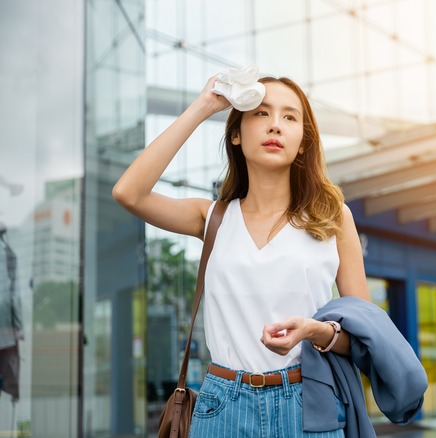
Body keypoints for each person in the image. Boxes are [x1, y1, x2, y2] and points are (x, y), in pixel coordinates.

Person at [113, 74, 372, 437]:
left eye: (289, 117)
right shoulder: (214, 217)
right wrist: (204, 106)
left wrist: (316, 331)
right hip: (222, 407)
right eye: (261, 113)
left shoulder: (332, 218)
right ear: (236, 133)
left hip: (306, 404)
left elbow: (364, 336)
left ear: (302, 143)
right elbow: (129, 193)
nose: (275, 126)